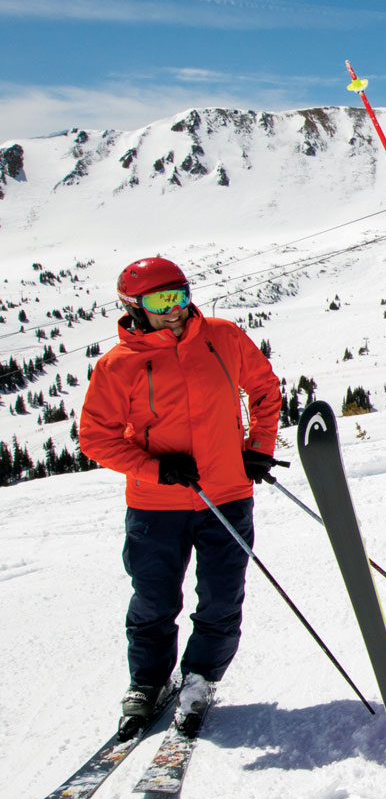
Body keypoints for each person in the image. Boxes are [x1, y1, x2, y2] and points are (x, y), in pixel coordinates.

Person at [79, 257, 281, 739]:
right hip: (155, 506)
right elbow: (95, 437)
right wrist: (155, 468)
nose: (175, 309)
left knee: (220, 597)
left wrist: (259, 448)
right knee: (153, 600)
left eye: (182, 296)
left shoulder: (222, 337)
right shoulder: (117, 366)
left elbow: (263, 388)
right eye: (161, 301)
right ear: (134, 307)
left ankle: (200, 679)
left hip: (227, 494)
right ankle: (146, 684)